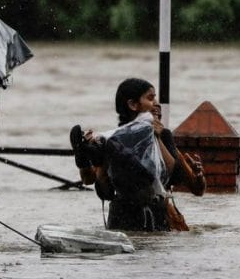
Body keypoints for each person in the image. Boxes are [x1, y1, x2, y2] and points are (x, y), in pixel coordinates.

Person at [70, 77, 205, 231]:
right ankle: (88, 149)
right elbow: (90, 180)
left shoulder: (162, 136)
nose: (156, 104)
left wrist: (198, 175)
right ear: (133, 105)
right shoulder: (115, 139)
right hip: (130, 216)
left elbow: (195, 187)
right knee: (109, 151)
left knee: (110, 150)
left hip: (150, 216)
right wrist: (84, 157)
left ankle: (90, 149)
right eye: (151, 98)